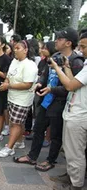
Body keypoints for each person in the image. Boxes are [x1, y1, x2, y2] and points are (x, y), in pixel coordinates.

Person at [14, 28, 84, 174]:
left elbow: (71, 87)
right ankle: (32, 156)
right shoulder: (55, 56)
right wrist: (40, 84)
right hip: (46, 101)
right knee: (38, 128)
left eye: (59, 39)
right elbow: (45, 75)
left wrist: (52, 90)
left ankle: (50, 160)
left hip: (60, 103)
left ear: (68, 43)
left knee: (55, 135)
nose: (56, 41)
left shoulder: (76, 61)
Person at [48, 32, 87, 190]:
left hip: (79, 114)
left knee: (75, 152)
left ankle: (76, 184)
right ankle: (71, 176)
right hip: (73, 110)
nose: (81, 50)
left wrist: (57, 68)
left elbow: (69, 86)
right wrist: (66, 67)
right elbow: (73, 81)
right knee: (71, 150)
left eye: (84, 47)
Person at [0, 40, 38, 157]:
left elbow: (27, 84)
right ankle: (19, 142)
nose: (15, 50)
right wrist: (6, 83)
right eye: (14, 48)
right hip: (12, 97)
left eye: (18, 48)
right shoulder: (14, 61)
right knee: (17, 122)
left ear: (26, 50)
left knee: (15, 123)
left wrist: (8, 85)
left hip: (22, 100)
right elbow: (8, 76)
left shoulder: (30, 65)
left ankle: (9, 148)